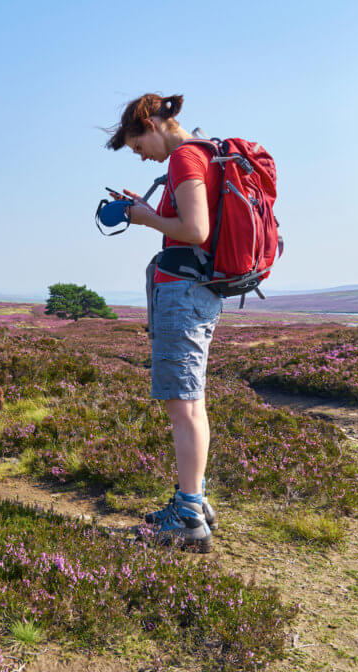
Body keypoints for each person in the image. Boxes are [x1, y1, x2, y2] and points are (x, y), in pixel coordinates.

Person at [106, 93, 220, 552]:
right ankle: (194, 500)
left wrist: (140, 217)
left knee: (182, 406)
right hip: (197, 290)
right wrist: (148, 210)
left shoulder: (185, 158)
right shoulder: (205, 155)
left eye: (138, 146)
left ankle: (189, 516)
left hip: (183, 292)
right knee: (192, 403)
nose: (140, 155)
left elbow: (195, 231)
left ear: (151, 124)